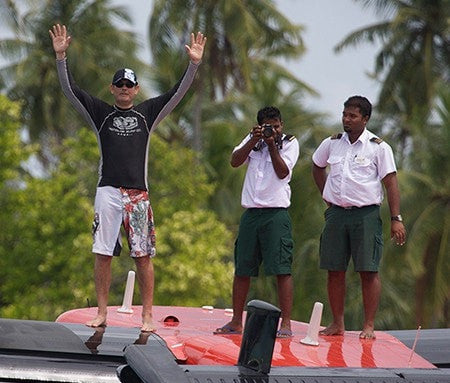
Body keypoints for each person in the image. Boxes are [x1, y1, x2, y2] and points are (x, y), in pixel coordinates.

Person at [49, 24, 206, 332]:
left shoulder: (147, 114)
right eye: (119, 83)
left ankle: (147, 315)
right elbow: (71, 91)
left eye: (129, 84)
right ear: (112, 88)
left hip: (138, 194)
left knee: (143, 255)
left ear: (136, 90)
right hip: (107, 190)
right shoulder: (100, 114)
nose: (123, 88)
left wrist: (194, 64)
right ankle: (102, 312)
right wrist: (61, 57)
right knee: (102, 252)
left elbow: (177, 93)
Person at [312, 95, 406, 339]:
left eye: (353, 116)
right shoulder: (332, 143)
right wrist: (326, 195)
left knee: (368, 270)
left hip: (366, 215)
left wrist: (396, 218)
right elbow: (317, 165)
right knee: (334, 269)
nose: (347, 120)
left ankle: (369, 325)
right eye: (345, 114)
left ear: (365, 119)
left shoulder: (378, 147)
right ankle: (337, 323)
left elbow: (391, 183)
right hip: (336, 214)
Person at [215, 106, 299, 337]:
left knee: (282, 269)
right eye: (269, 126)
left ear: (282, 124)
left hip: (276, 214)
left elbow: (283, 172)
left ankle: (286, 324)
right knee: (242, 268)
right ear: (261, 125)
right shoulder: (253, 139)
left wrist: (272, 145)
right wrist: (254, 140)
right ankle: (235, 321)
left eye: (278, 125)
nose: (275, 129)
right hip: (251, 213)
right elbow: (235, 161)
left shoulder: (290, 143)